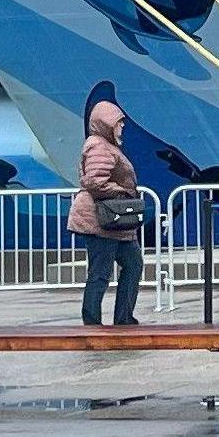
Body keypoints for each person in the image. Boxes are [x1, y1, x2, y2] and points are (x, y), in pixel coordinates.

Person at [67, 100, 143, 328]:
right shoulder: (99, 146)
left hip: (115, 223)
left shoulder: (106, 145)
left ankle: (124, 318)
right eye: (118, 124)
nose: (122, 128)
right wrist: (123, 191)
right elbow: (93, 181)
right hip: (100, 221)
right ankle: (92, 323)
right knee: (100, 273)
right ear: (106, 124)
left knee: (133, 264)